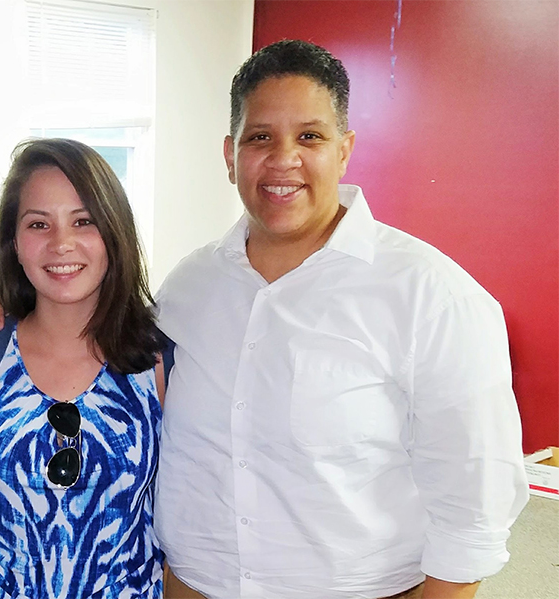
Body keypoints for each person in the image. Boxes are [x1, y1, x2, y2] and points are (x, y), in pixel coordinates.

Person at [154, 40, 529, 599]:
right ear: (230, 154)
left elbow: (474, 501)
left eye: (310, 136)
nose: (284, 159)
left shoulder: (430, 293)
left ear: (344, 150)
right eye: (260, 137)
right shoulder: (189, 286)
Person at [0, 138, 167, 598]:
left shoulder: (159, 358)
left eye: (83, 221)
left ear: (114, 232)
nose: (61, 243)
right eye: (38, 223)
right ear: (14, 243)